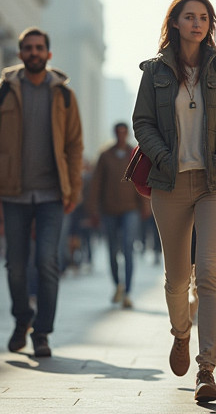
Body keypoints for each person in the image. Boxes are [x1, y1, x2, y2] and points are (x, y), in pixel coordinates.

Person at [133, 0, 216, 403]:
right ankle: (181, 333)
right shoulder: (156, 71)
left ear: (209, 25)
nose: (197, 23)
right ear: (175, 22)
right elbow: (141, 122)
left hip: (215, 181)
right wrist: (163, 156)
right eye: (189, 16)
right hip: (169, 182)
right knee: (177, 277)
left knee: (209, 273)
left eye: (203, 17)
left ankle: (207, 368)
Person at [0, 27, 84, 358]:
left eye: (39, 48)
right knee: (15, 265)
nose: (34, 52)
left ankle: (42, 333)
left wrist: (73, 189)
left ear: (48, 54)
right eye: (28, 48)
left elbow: (75, 145)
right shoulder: (3, 92)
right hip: (13, 193)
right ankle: (22, 319)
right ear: (21, 53)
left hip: (52, 193)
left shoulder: (63, 95)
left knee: (48, 261)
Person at [87, 122, 145, 308]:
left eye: (124, 132)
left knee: (128, 247)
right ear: (115, 134)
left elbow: (142, 179)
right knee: (112, 249)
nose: (121, 135)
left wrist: (145, 205)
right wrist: (93, 209)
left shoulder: (134, 153)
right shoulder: (105, 156)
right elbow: (96, 183)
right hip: (109, 209)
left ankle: (127, 291)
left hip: (130, 209)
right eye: (118, 132)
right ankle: (117, 285)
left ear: (127, 134)